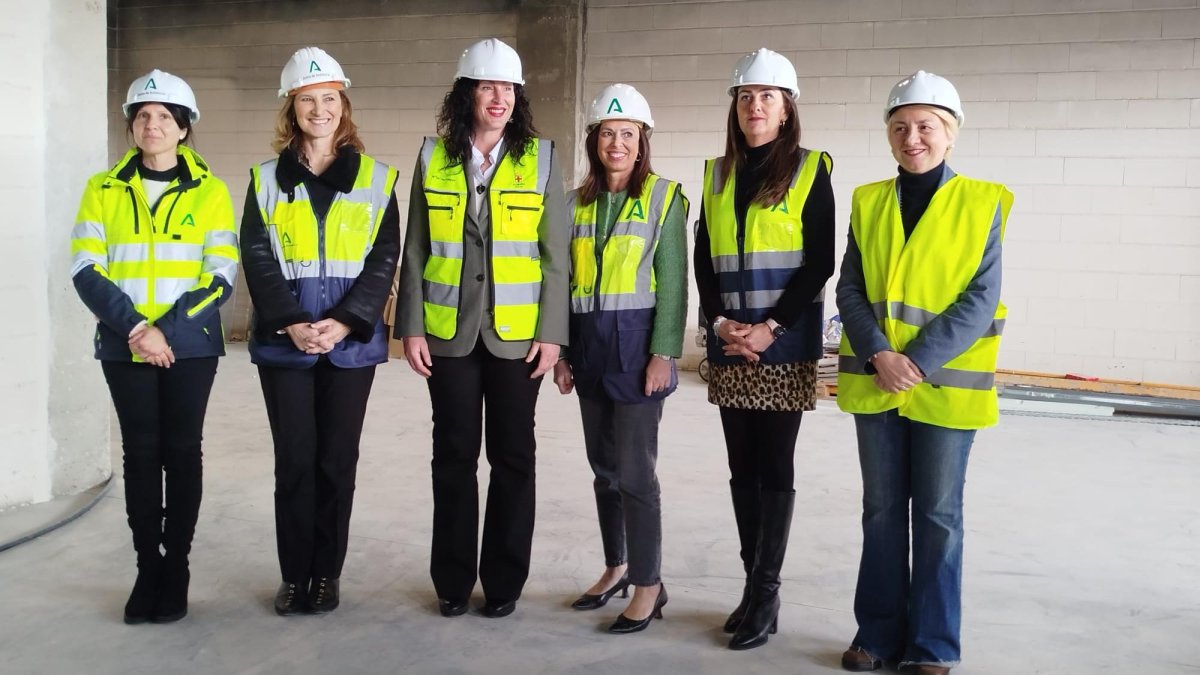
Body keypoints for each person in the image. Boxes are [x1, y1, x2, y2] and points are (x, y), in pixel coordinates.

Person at [835, 71, 1012, 675]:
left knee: (938, 517)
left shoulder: (984, 202)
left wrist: (914, 362)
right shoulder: (867, 200)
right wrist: (880, 353)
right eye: (901, 127)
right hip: (877, 381)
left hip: (943, 389)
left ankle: (934, 645)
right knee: (881, 512)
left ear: (950, 135)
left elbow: (980, 299)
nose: (914, 137)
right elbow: (850, 289)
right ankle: (878, 636)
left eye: (926, 127)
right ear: (889, 136)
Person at [395, 37, 569, 620]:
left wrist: (552, 333)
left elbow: (555, 257)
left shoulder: (540, 158)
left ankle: (503, 583)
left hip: (518, 339)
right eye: (487, 86)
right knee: (453, 456)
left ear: (518, 97)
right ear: (466, 93)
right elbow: (416, 249)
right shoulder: (433, 157)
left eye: (508, 88)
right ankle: (451, 581)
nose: (498, 98)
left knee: (514, 457)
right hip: (449, 334)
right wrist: (411, 327)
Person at [70, 70, 238, 624]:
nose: (153, 124)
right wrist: (138, 330)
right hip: (126, 346)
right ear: (131, 126)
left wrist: (165, 329)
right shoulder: (103, 188)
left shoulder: (210, 191)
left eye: (166, 116)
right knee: (141, 457)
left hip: (190, 348)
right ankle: (148, 568)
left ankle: (178, 569)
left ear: (184, 128)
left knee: (181, 453)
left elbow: (220, 276)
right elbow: (85, 269)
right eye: (143, 115)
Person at [240, 46, 400, 616]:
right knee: (295, 463)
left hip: (349, 345)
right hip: (285, 346)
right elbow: (256, 257)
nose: (319, 109)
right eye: (307, 100)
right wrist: (290, 322)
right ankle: (294, 575)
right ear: (292, 108)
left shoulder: (378, 180)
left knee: (337, 463)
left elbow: (384, 258)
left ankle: (327, 575)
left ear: (343, 106)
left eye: (328, 99)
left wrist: (344, 321)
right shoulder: (263, 181)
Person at [693, 47, 835, 651]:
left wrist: (769, 327)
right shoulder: (716, 173)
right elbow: (705, 259)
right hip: (731, 343)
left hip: (782, 347)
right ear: (736, 107)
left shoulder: (809, 169)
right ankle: (754, 589)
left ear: (786, 110)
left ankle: (767, 590)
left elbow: (819, 261)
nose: (755, 106)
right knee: (740, 467)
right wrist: (721, 325)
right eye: (746, 96)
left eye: (767, 97)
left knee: (774, 467)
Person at [552, 84, 688, 634]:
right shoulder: (573, 202)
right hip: (588, 350)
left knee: (636, 473)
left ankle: (650, 584)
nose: (616, 143)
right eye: (607, 133)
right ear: (594, 140)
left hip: (637, 352)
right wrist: (560, 351)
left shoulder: (663, 196)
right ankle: (617, 565)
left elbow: (675, 284)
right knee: (604, 472)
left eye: (627, 134)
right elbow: (560, 283)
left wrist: (663, 353)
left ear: (642, 142)